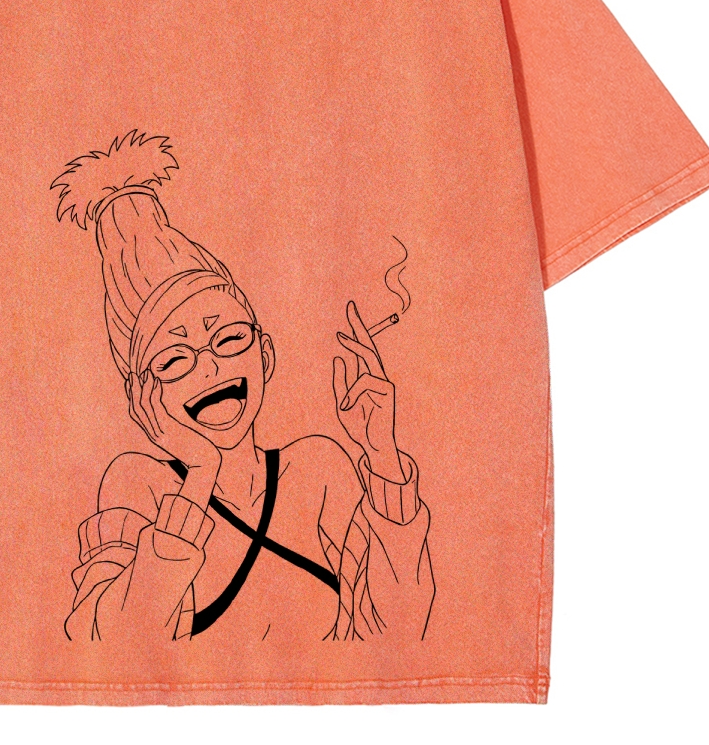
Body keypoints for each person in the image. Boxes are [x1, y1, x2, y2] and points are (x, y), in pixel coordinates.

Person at [53, 131, 435, 643]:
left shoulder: (318, 468)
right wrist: (199, 473)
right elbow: (113, 642)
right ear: (143, 398)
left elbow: (402, 632)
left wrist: (383, 458)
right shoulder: (137, 483)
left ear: (265, 353)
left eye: (229, 338)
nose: (210, 368)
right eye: (174, 360)